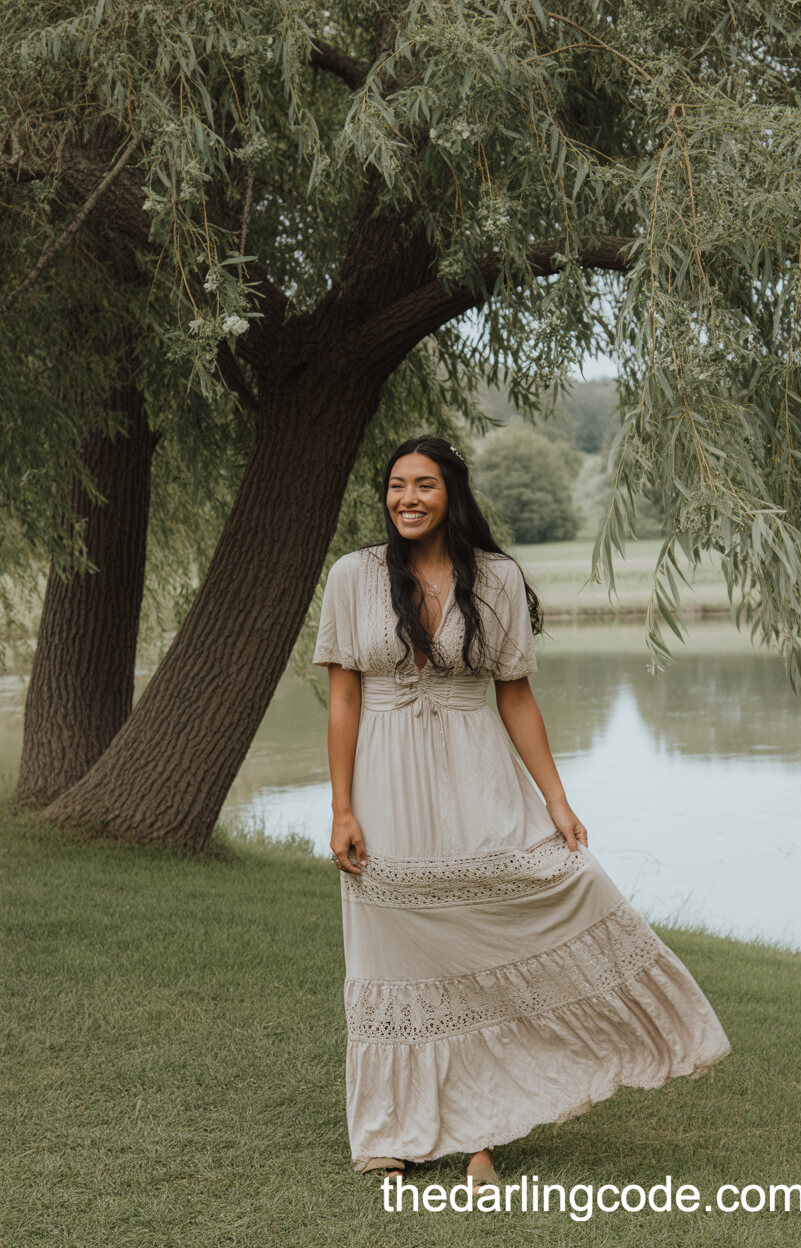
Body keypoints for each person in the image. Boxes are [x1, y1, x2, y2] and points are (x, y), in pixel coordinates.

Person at [312, 434, 731, 1192]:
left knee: (511, 925)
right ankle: (389, 1132)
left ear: (451, 494)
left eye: (424, 485)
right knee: (393, 956)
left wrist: (557, 802)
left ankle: (483, 1135)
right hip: (384, 780)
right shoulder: (352, 575)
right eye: (397, 485)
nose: (408, 498)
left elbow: (515, 696)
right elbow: (344, 696)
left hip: (477, 775)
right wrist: (342, 807)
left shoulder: (497, 578)